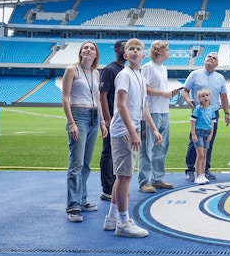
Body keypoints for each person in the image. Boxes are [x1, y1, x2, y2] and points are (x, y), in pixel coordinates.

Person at [103, 38, 163, 238]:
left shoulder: (140, 76)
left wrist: (154, 129)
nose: (135, 51)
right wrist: (133, 132)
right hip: (123, 131)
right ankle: (123, 222)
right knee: (125, 177)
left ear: (143, 55)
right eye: (131, 49)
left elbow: (144, 107)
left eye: (138, 49)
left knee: (122, 176)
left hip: (131, 129)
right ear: (125, 55)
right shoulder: (124, 75)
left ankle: (112, 218)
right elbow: (121, 105)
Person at [63, 41, 107, 223]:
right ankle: (73, 206)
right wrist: (71, 123)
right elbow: (65, 98)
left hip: (94, 117)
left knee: (86, 163)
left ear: (96, 54)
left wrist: (102, 122)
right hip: (78, 115)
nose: (88, 50)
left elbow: (97, 98)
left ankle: (82, 199)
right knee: (76, 163)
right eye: (85, 48)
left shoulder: (95, 73)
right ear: (81, 52)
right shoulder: (72, 70)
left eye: (92, 48)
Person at [181, 51, 230, 182]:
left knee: (209, 141)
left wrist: (227, 113)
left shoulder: (220, 78)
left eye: (214, 58)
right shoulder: (194, 74)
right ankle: (190, 169)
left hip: (213, 113)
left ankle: (205, 169)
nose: (211, 59)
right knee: (194, 141)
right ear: (204, 60)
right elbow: (185, 90)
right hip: (199, 113)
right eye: (209, 57)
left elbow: (223, 96)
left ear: (217, 64)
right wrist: (188, 100)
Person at [138, 40, 179, 193]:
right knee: (147, 148)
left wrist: (168, 94)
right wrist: (164, 94)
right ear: (159, 51)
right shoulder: (148, 67)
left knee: (162, 146)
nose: (169, 52)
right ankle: (144, 181)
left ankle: (157, 178)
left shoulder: (163, 69)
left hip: (163, 111)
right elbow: (144, 89)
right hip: (151, 111)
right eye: (167, 49)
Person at [99, 40, 126, 202]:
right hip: (112, 118)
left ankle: (116, 187)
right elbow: (102, 95)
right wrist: (107, 118)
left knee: (119, 153)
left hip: (123, 119)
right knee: (108, 152)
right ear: (116, 50)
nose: (126, 50)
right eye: (124, 47)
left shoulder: (126, 70)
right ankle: (107, 189)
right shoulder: (110, 70)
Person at [190, 88, 216, 185]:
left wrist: (211, 134)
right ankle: (197, 175)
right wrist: (193, 134)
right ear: (199, 99)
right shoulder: (198, 109)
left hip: (207, 132)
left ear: (210, 97)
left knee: (204, 155)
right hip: (199, 132)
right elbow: (192, 121)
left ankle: (202, 174)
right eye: (203, 96)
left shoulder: (212, 109)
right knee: (200, 155)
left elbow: (212, 123)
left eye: (207, 95)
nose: (205, 97)